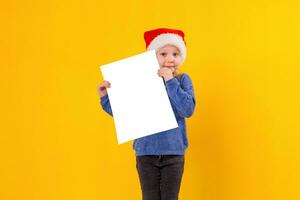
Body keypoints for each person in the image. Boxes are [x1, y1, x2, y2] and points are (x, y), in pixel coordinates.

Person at [97, 28, 196, 200]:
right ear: (152, 57)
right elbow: (126, 113)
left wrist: (170, 81)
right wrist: (106, 98)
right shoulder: (141, 81)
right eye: (163, 54)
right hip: (146, 153)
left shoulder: (182, 80)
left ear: (182, 57)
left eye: (175, 53)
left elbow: (187, 110)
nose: (170, 59)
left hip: (173, 153)